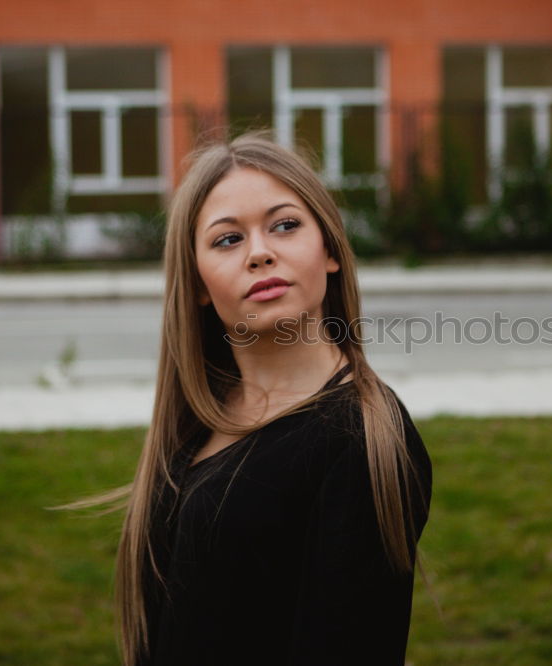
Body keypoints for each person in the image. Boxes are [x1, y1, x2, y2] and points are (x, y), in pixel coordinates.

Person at [115, 131, 433, 666]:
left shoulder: (360, 440)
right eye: (227, 240)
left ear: (329, 249)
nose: (260, 253)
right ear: (196, 283)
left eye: (285, 225)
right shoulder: (197, 418)